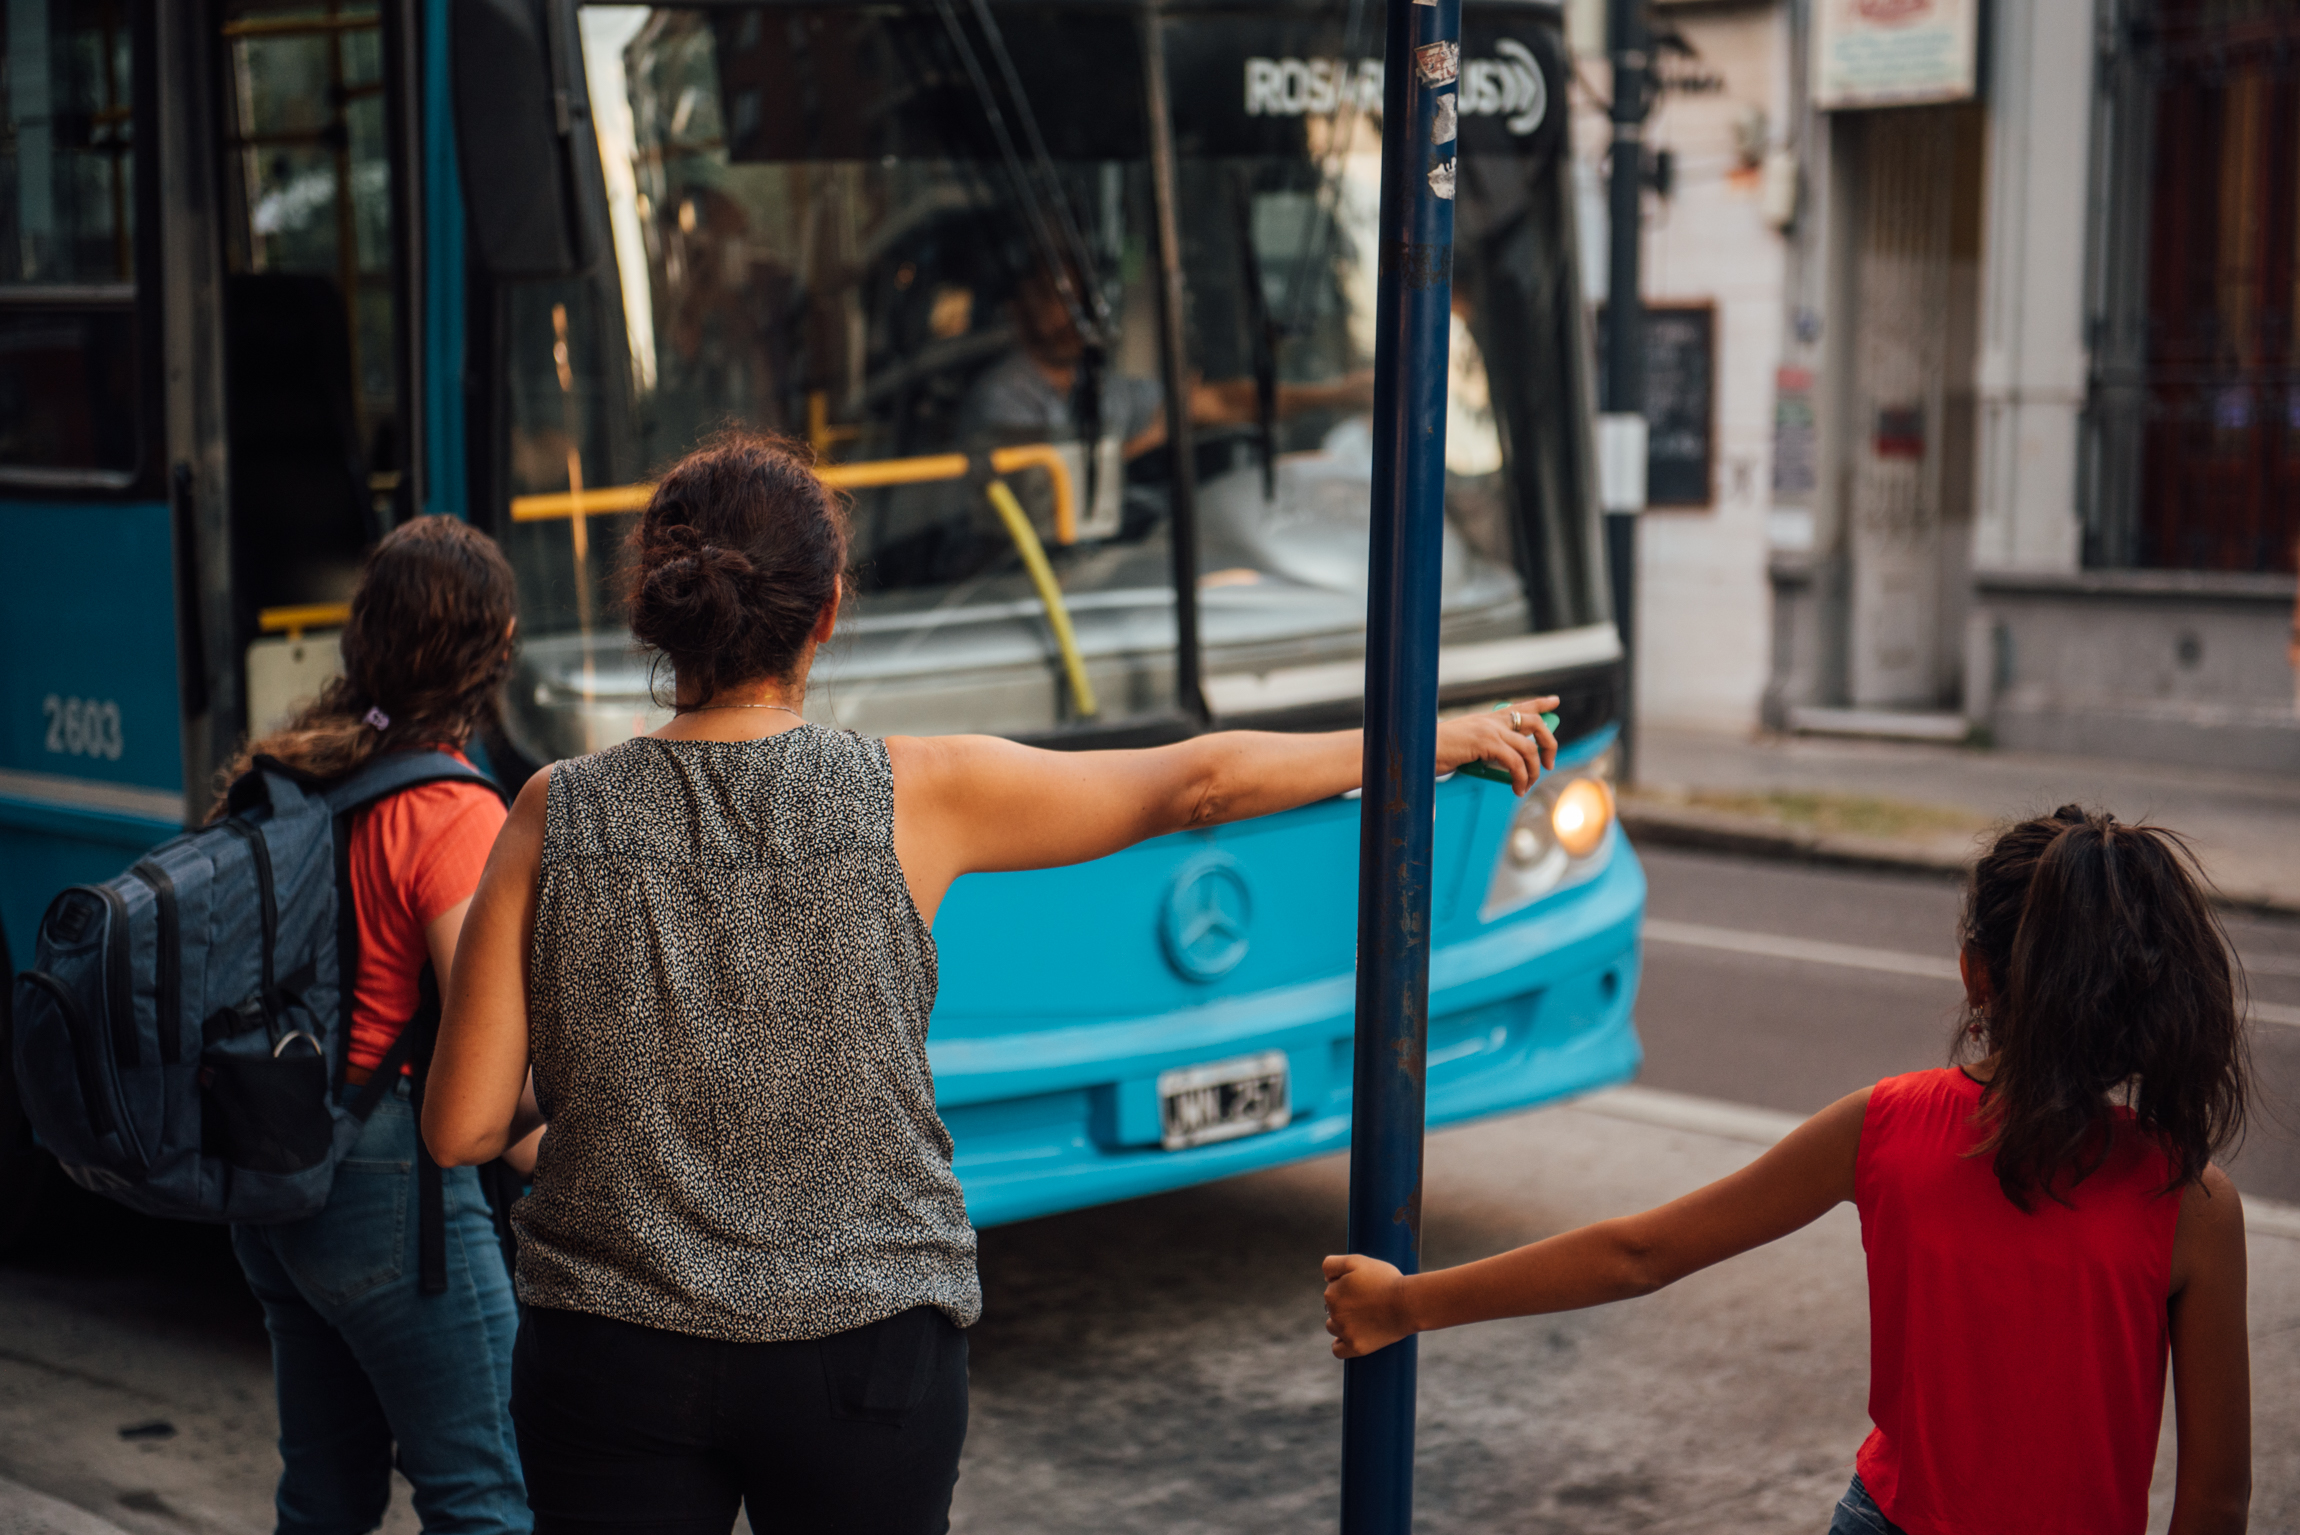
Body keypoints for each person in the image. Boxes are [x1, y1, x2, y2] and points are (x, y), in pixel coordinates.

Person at [420, 431, 1558, 1535]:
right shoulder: (912, 791)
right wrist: (1433, 737)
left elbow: (463, 1124)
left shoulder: (552, 811)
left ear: (655, 609)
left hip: (613, 1355)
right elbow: (1200, 784)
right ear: (823, 614)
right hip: (864, 1349)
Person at [1323, 805, 2255, 1535]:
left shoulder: (1886, 1127)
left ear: (1978, 977)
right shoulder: (2194, 1203)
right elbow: (2214, 1502)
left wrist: (1407, 1301)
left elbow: (1640, 1253)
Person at [219, 517, 539, 1535]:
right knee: (487, 1498)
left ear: (362, 636)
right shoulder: (452, 813)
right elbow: (489, 1049)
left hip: (277, 1175)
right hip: (390, 1197)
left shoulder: (298, 767)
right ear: (498, 646)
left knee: (324, 1494)